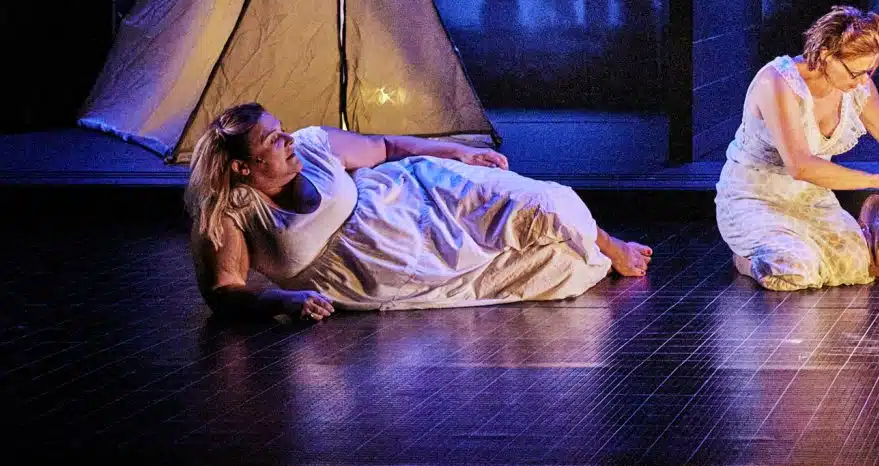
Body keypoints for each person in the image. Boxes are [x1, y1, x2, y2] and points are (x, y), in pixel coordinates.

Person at [188, 103, 650, 321]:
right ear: (243, 167)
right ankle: (599, 253)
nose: (287, 139)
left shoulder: (313, 145)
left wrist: (458, 152)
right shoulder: (229, 213)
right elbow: (223, 291)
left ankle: (611, 242)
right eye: (273, 139)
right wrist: (280, 301)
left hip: (419, 198)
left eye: (282, 128)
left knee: (543, 206)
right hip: (409, 272)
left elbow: (385, 146)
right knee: (562, 269)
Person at [718, 6, 879, 290]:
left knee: (856, 265)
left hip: (809, 200)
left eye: (870, 71)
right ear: (826, 55)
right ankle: (747, 257)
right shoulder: (778, 82)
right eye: (856, 72)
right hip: (755, 198)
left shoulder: (857, 87)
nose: (863, 81)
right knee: (795, 269)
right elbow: (800, 165)